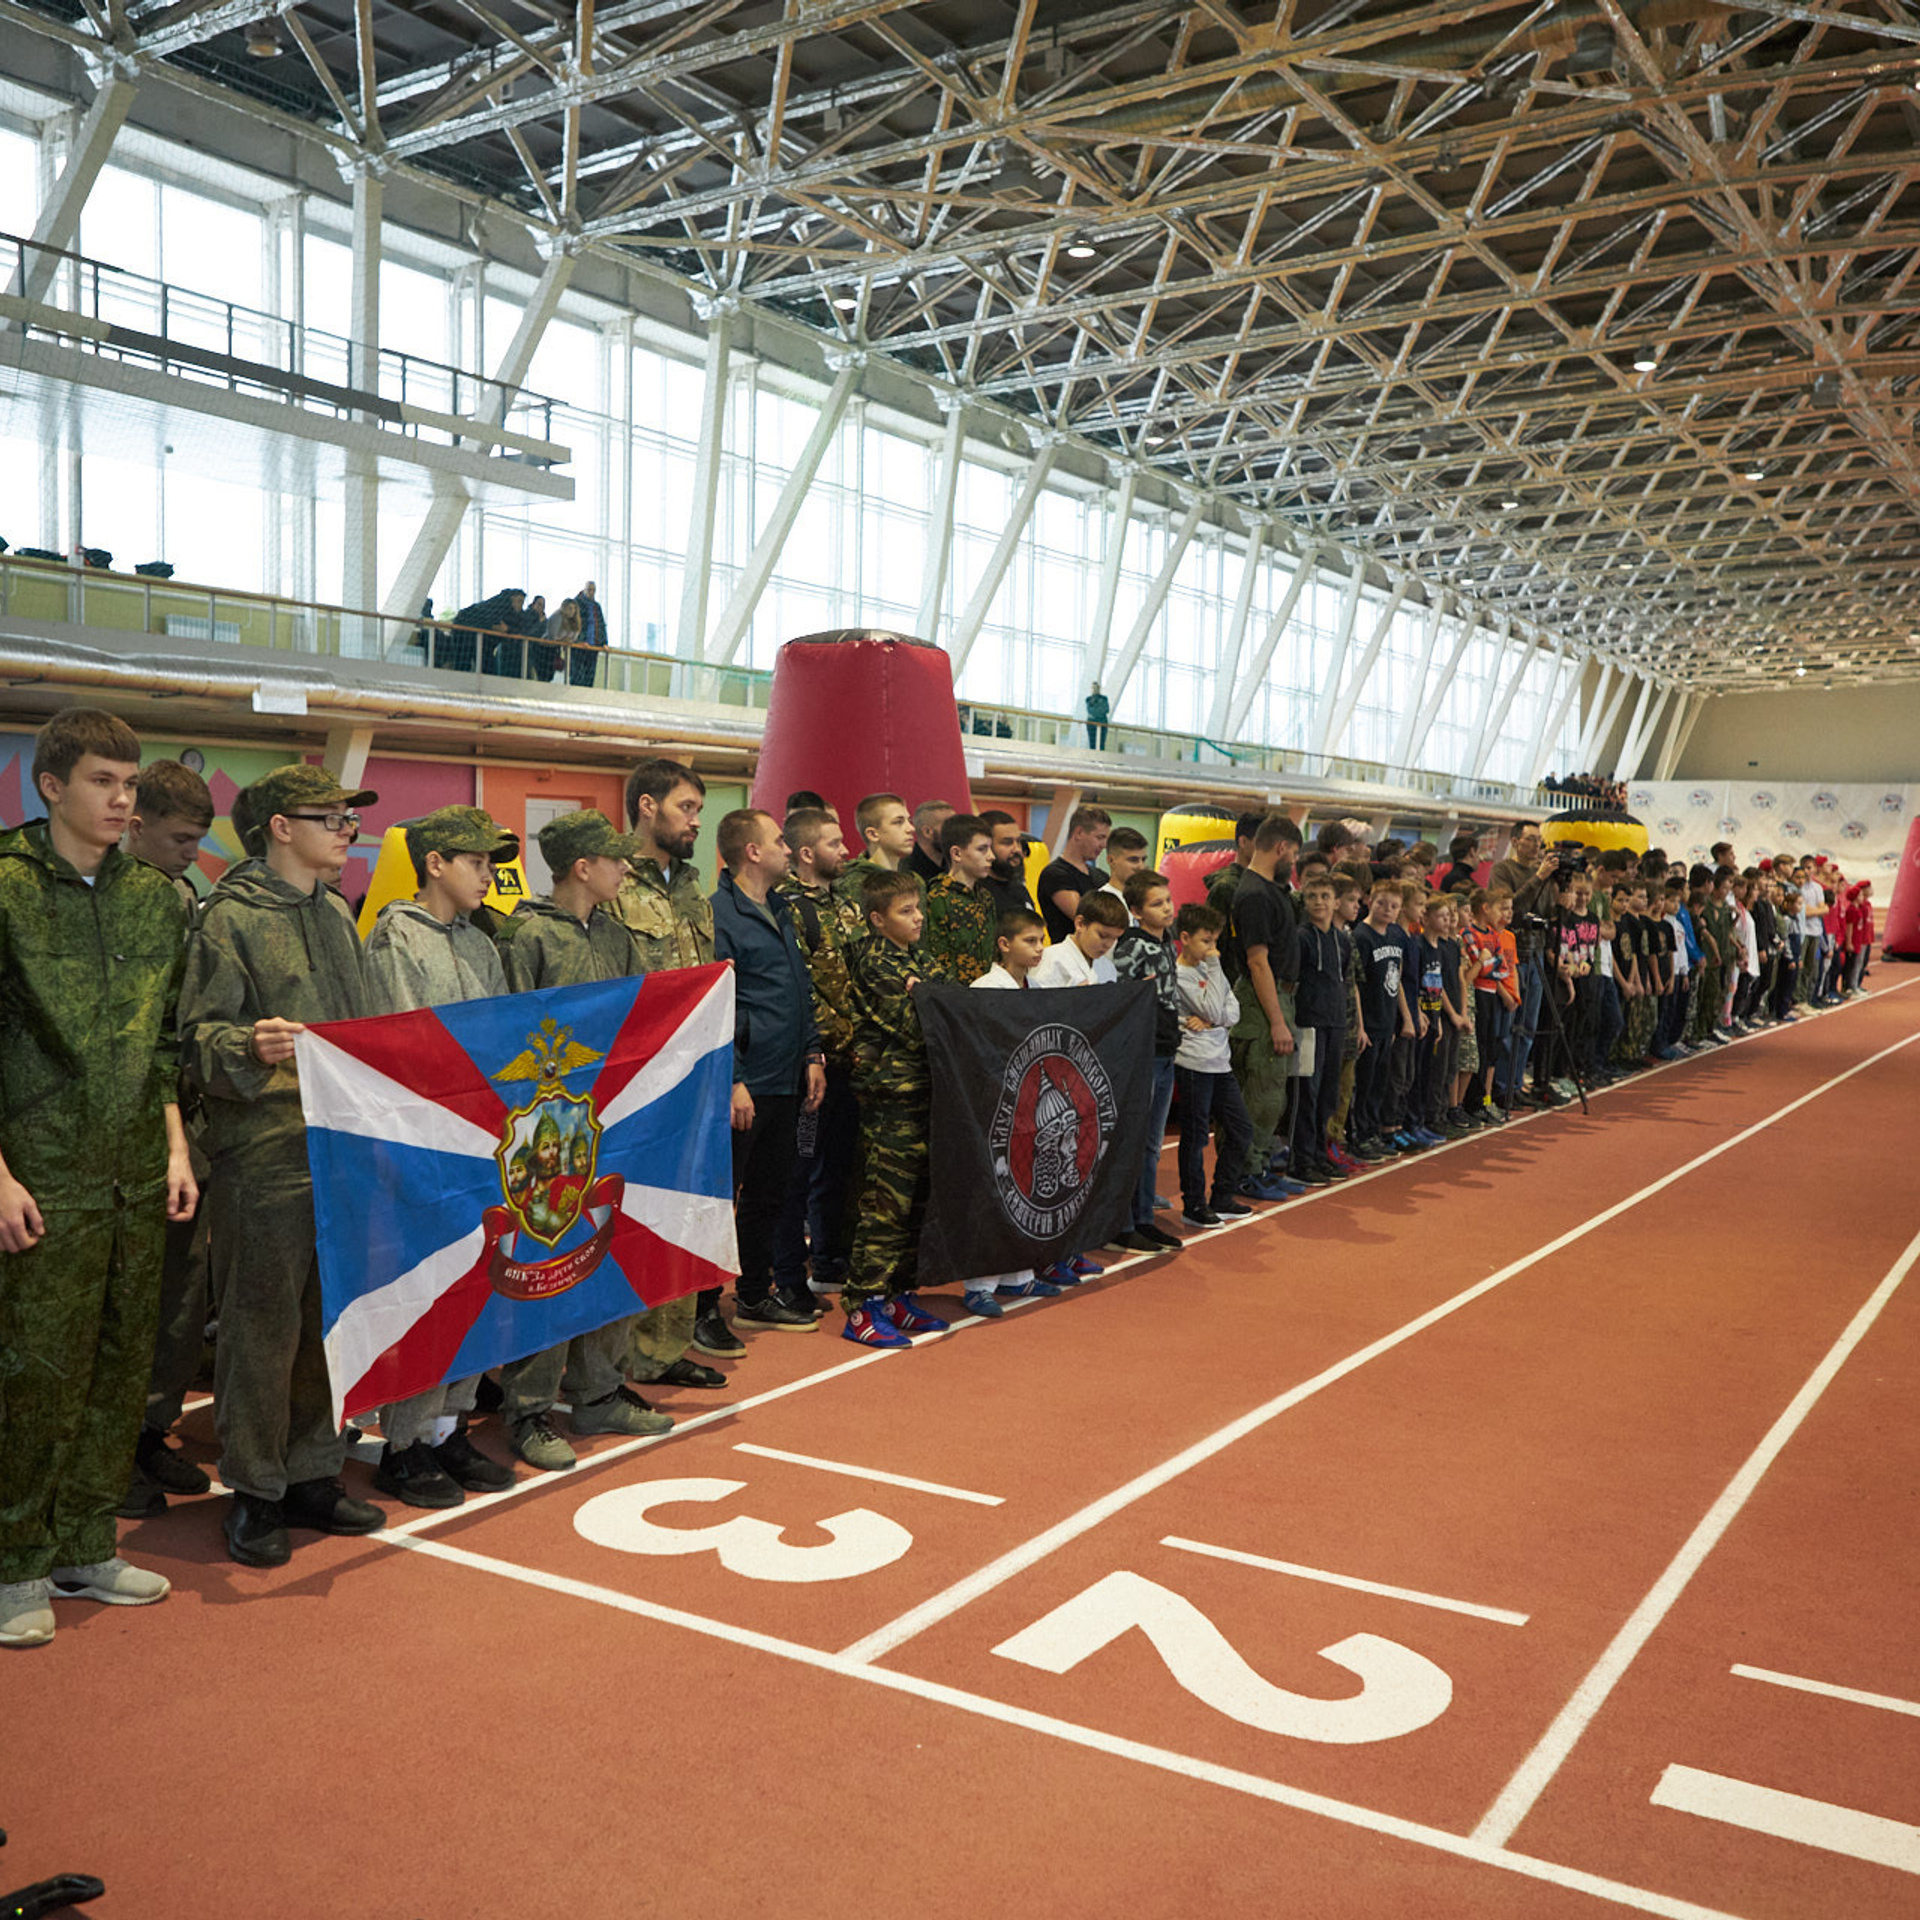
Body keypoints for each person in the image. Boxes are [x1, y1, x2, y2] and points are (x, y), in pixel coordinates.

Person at [1, 710, 196, 1649]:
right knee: (31, 1377)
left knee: (120, 1367)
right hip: (37, 1176)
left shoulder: (155, 900)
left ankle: (82, 1541)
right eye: (103, 784)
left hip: (130, 1173)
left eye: (129, 785)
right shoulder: (4, 890)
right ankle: (11, 1563)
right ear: (50, 786)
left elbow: (160, 1044)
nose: (122, 801)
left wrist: (173, 1148)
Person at [178, 763, 382, 1568]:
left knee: (328, 1320)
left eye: (349, 819)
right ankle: (255, 1489)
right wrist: (246, 1043)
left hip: (338, 1145)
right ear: (278, 828)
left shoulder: (335, 914)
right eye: (329, 817)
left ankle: (312, 1471)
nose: (346, 830)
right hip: (263, 1149)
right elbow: (193, 1040)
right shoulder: (228, 918)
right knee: (262, 1327)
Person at [357, 807, 525, 1507]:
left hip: (485, 1144)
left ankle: (449, 1424)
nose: (490, 875)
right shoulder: (397, 938)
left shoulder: (480, 944)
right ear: (435, 863)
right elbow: (405, 1048)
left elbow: (502, 1035)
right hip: (427, 1146)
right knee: (428, 1294)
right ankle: (404, 1442)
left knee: (478, 1289)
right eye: (478, 862)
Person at [498, 809, 675, 1468]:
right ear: (582, 867)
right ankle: (529, 1409)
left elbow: (638, 1017)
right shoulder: (528, 937)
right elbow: (509, 1030)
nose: (625, 868)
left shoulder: (615, 935)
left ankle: (598, 1390)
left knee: (612, 1257)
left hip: (611, 1121)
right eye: (615, 859)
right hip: (548, 1135)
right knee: (546, 1269)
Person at [117, 759, 217, 1518]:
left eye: (199, 840)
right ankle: (109, 1449)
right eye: (180, 838)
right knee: (122, 1299)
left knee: (179, 1300)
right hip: (123, 1125)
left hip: (190, 1120)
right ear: (136, 823)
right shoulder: (111, 902)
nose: (191, 852)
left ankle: (150, 1430)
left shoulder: (184, 898)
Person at [710, 811, 827, 1342]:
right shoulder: (721, 915)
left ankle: (755, 1294)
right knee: (722, 1198)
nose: (787, 847)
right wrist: (733, 1078)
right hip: (746, 1083)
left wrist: (811, 1054)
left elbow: (798, 991)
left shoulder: (779, 908)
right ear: (752, 852)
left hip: (787, 1077)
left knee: (767, 1197)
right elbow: (718, 1004)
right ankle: (702, 1309)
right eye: (779, 840)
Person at [840, 870, 949, 1349]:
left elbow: (948, 998)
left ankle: (897, 1294)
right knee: (885, 1206)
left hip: (925, 1093)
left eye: (917, 908)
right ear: (877, 919)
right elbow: (916, 1024)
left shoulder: (916, 956)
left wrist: (925, 992)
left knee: (917, 1205)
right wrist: (923, 998)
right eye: (906, 911)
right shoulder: (873, 960)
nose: (918, 917)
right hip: (890, 1097)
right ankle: (863, 1305)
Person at [771, 806, 864, 1311]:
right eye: (834, 843)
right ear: (806, 854)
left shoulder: (846, 905)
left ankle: (830, 1258)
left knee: (841, 1166)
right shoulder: (786, 906)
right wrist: (824, 1045)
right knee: (797, 1169)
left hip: (850, 1062)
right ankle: (786, 1270)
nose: (845, 849)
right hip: (813, 1062)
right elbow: (801, 988)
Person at [963, 911, 1063, 1319]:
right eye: (1030, 941)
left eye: (1041, 941)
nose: (1039, 949)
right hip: (995, 1103)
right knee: (992, 1190)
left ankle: (1017, 1273)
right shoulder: (985, 987)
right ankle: (978, 1284)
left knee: (1024, 1188)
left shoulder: (1035, 986)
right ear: (1004, 944)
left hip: (1030, 1103)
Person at [1223, 815, 1301, 1199]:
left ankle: (1260, 1165)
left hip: (1279, 997)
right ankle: (1245, 1172)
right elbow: (1257, 962)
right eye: (1295, 855)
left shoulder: (1272, 890)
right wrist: (1276, 1021)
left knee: (1273, 1095)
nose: (1295, 864)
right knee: (1260, 1094)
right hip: (1262, 1003)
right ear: (1282, 847)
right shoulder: (1254, 894)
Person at [1110, 871, 1184, 1255]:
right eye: (1157, 904)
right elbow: (1125, 996)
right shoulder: (1131, 947)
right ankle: (1123, 1224)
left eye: (1168, 900)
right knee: (1136, 1141)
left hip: (1167, 1048)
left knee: (1152, 1144)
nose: (1167, 908)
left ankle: (1143, 1219)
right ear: (1136, 911)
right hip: (1145, 1052)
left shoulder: (1167, 942)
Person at [1172, 904, 1253, 1230]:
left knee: (1241, 1129)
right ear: (1185, 938)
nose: (1213, 949)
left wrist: (1214, 1017)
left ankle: (1222, 1194)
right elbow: (1214, 1007)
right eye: (1207, 941)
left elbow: (1232, 1012)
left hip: (1220, 1063)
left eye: (1215, 942)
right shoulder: (1181, 976)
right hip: (1194, 1064)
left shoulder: (1210, 969)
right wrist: (1214, 1012)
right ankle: (1193, 1204)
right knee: (1195, 1136)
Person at [1289, 874, 1354, 1185]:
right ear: (1304, 901)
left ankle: (1319, 1153)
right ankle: (1300, 1160)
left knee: (1328, 1094)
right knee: (1308, 1094)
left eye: (1325, 896)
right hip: (1308, 1024)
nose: (1319, 902)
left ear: (1336, 902)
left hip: (1336, 1023)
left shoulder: (1342, 940)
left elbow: (1345, 980)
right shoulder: (1300, 937)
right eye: (1312, 896)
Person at [921, 812, 997, 985]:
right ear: (956, 854)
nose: (991, 856)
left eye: (990, 848)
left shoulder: (985, 898)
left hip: (987, 993)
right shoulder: (938, 898)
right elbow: (937, 960)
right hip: (956, 999)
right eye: (982, 849)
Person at [1036, 805, 1112, 942]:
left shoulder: (1101, 876)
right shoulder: (1055, 874)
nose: (1104, 845)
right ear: (1079, 833)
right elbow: (1085, 917)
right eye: (1099, 837)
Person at [835, 792, 916, 909]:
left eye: (909, 821)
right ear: (873, 834)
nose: (911, 828)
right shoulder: (853, 885)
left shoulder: (914, 881)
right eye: (898, 822)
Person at [1031, 888, 1126, 987]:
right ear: (1080, 924)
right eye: (1103, 936)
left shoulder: (1107, 966)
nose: (1108, 944)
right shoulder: (1051, 959)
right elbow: (1036, 1000)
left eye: (1114, 938)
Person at [979, 809, 1036, 917]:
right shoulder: (978, 894)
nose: (1017, 849)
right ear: (986, 846)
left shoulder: (1020, 890)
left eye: (1018, 841)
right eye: (1007, 842)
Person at [1099, 827, 1150, 919]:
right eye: (1133, 860)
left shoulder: (1147, 899)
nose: (1141, 867)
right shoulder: (1102, 903)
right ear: (1111, 861)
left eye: (1143, 860)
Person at [906, 801, 955, 886]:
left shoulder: (955, 865)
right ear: (927, 832)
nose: (957, 831)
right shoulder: (907, 873)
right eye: (950, 826)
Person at [1085, 682, 1110, 749]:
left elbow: (1106, 709)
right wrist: (1098, 711)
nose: (1095, 689)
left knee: (1101, 744)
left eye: (1096, 688)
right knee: (1092, 744)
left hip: (1102, 724)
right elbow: (1090, 711)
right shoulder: (1088, 700)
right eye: (1093, 688)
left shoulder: (1104, 699)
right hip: (1092, 725)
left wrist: (1096, 713)